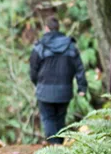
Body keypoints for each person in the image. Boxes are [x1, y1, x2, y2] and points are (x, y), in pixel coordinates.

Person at [29, 16, 87, 145]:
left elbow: (33, 70)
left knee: (48, 119)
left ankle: (54, 146)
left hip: (44, 90)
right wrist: (82, 87)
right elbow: (79, 68)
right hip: (64, 90)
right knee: (60, 119)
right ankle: (59, 147)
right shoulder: (70, 46)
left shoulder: (39, 47)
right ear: (58, 28)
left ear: (46, 28)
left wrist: (36, 84)